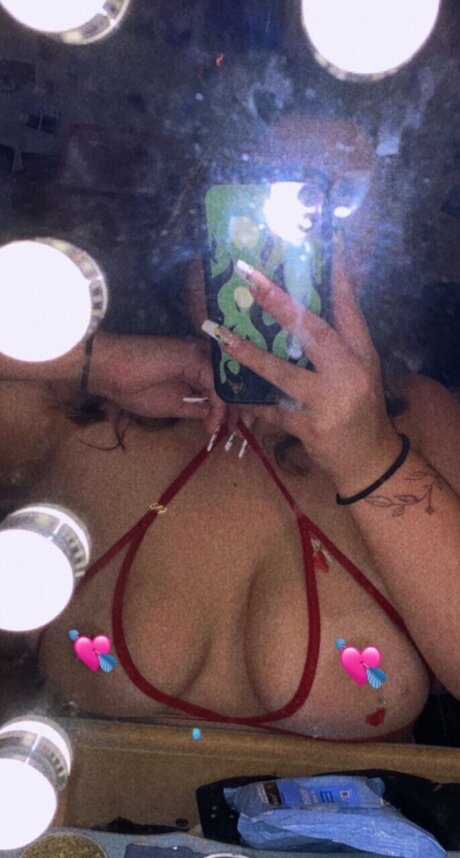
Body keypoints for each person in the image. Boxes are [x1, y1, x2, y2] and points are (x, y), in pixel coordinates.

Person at [1, 113, 460, 744]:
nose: (299, 235)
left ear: (378, 244)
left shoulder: (421, 419)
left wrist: (371, 457)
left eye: (340, 204)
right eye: (261, 189)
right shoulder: (77, 414)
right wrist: (97, 363)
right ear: (194, 214)